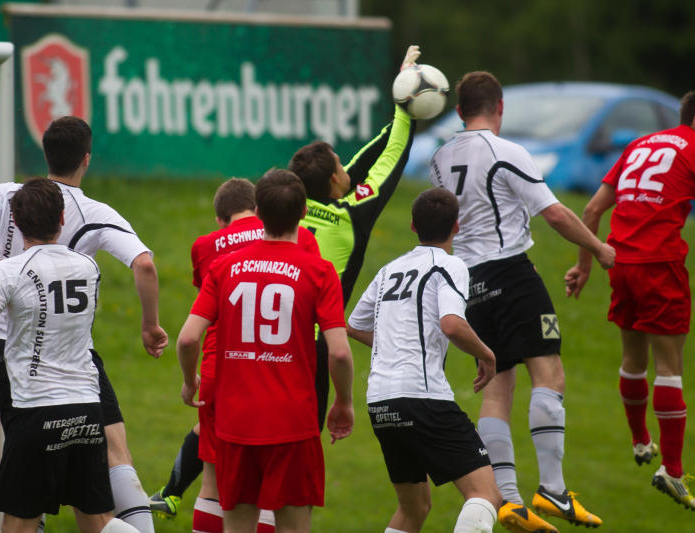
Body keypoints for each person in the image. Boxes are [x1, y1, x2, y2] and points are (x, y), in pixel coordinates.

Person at [0, 116, 165, 533]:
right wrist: (150, 325)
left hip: (20, 369)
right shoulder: (88, 262)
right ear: (86, 159)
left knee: (25, 495)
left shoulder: (7, 227)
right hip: (81, 377)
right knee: (111, 467)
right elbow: (144, 264)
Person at [429, 71, 614, 532]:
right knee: (548, 372)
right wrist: (598, 248)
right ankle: (552, 489)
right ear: (500, 107)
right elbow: (555, 213)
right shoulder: (505, 151)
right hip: (511, 273)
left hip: (467, 282)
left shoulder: (439, 158)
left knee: (497, 387)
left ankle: (508, 500)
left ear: (459, 111)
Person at [0, 178, 140, 533]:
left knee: (17, 525)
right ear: (62, 218)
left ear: (17, 223)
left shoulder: (7, 272)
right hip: (87, 407)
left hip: (36, 412)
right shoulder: (88, 267)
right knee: (98, 522)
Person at [176, 169, 354, 533]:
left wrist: (189, 381)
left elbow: (188, 339)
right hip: (293, 421)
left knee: (236, 524)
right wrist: (343, 401)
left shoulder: (224, 266)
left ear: (258, 212)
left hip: (235, 421)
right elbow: (338, 353)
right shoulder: (320, 272)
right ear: (303, 212)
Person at [149, 177, 319, 532]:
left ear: (220, 218)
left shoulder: (205, 246)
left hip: (223, 367)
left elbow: (200, 322)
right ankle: (172, 491)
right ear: (257, 208)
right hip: (283, 370)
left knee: (218, 484)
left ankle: (172, 492)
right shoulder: (301, 236)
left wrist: (189, 380)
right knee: (278, 492)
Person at [564, 87, 695, 511]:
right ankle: (673, 470)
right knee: (670, 367)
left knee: (633, 358)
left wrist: (584, 266)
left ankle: (641, 441)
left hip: (620, 262)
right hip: (660, 264)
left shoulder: (639, 145)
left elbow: (592, 210)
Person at [347, 187, 501, 533]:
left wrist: (394, 345)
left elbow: (355, 326)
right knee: (485, 495)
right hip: (422, 397)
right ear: (457, 226)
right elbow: (452, 324)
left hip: (381, 402)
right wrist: (486, 354)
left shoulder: (389, 270)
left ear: (413, 226)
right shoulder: (449, 264)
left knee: (414, 508)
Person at [288, 45, 418, 430]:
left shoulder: (286, 207)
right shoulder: (349, 215)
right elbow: (389, 160)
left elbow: (361, 164)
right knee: (301, 442)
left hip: (267, 337)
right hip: (312, 345)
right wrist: (405, 105)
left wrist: (399, 106)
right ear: (333, 180)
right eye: (340, 166)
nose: (348, 169)